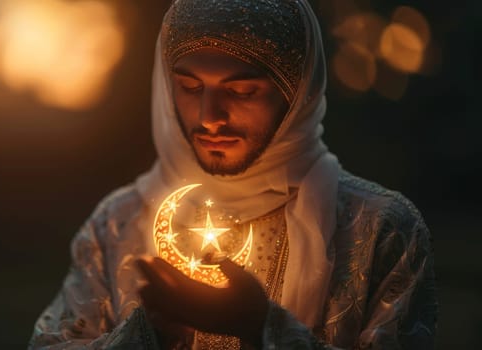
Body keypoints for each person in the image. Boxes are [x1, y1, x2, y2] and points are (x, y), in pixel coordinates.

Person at [28, 0, 437, 348]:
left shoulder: (380, 229)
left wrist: (263, 328)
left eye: (242, 91)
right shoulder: (116, 226)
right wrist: (148, 333)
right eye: (189, 87)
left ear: (296, 93)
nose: (209, 118)